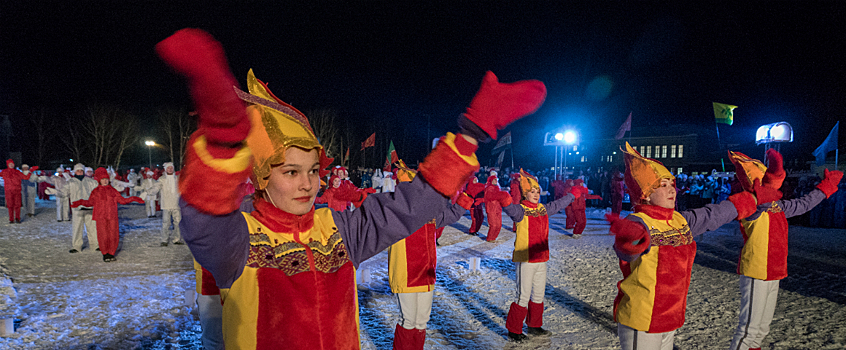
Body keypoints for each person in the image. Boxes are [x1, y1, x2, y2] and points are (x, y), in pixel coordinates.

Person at [157, 28, 545, 349]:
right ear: (262, 177)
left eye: (312, 170)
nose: (308, 183)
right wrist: (225, 136)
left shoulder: (340, 230)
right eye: (291, 172)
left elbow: (412, 205)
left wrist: (471, 133)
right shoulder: (240, 241)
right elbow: (203, 220)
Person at [606, 143, 760, 350]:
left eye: (672, 183)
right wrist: (630, 238)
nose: (672, 189)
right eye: (663, 185)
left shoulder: (680, 220)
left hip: (670, 315)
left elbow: (715, 214)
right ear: (646, 194)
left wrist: (753, 198)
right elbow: (626, 248)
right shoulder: (639, 221)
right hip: (642, 317)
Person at [727, 150, 842, 350]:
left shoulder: (777, 206)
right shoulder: (751, 206)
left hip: (774, 271)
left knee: (762, 330)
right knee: (749, 331)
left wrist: (825, 188)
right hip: (757, 271)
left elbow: (803, 204)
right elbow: (759, 201)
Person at [388, 167, 470, 350]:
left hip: (426, 272)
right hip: (406, 273)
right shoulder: (396, 212)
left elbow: (452, 215)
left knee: (422, 321)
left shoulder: (429, 213)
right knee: (408, 320)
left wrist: (466, 196)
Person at [501, 169, 580, 342]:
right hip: (526, 259)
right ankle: (514, 329)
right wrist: (504, 200)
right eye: (532, 192)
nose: (536, 195)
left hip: (541, 259)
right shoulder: (521, 210)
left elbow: (558, 204)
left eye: (537, 192)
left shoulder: (543, 209)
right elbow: (510, 210)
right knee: (522, 295)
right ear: (525, 194)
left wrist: (572, 195)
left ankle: (534, 326)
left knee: (538, 295)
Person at [71, 167, 144, 262]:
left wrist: (133, 198)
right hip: (101, 217)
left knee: (113, 235)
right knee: (103, 235)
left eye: (106, 179)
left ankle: (111, 253)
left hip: (112, 216)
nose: (105, 181)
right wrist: (80, 202)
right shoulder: (95, 191)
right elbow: (90, 202)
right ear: (99, 180)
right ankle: (105, 253)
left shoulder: (113, 191)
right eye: (103, 179)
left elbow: (122, 200)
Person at [59, 163, 99, 252]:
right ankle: (76, 246)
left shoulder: (91, 182)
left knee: (92, 227)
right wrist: (56, 192)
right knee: (77, 228)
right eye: (78, 170)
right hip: (77, 209)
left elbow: (98, 191)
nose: (80, 172)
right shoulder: (71, 182)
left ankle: (95, 245)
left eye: (81, 171)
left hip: (89, 208)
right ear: (75, 171)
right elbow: (64, 192)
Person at [156, 162, 183, 246]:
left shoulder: (178, 179)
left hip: (176, 204)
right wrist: (148, 192)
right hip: (166, 205)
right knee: (166, 223)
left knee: (178, 223)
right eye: (168, 168)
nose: (170, 169)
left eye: (171, 168)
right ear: (165, 169)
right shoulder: (162, 179)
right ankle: (164, 240)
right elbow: (156, 187)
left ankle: (177, 239)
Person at [483, 171, 511, 241]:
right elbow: (491, 196)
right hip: (491, 209)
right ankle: (490, 238)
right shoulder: (488, 188)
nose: (496, 181)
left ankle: (493, 237)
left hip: (498, 208)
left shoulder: (497, 187)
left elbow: (498, 194)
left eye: (497, 179)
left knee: (499, 225)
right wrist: (502, 194)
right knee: (493, 225)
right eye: (494, 179)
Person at [1, 159, 31, 224]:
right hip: (8, 191)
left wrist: (30, 171)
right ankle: (11, 219)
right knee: (10, 205)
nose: (11, 165)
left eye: (12, 164)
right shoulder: (4, 172)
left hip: (17, 191)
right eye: (10, 164)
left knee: (17, 205)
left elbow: (26, 177)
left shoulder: (17, 172)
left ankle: (17, 218)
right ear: (7, 165)